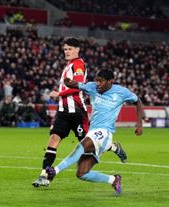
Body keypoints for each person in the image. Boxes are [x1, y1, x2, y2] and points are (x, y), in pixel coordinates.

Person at [32, 37, 126, 188]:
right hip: (63, 111)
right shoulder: (68, 65)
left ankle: (113, 147)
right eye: (65, 49)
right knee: (53, 140)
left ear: (77, 50)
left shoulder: (78, 65)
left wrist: (59, 94)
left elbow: (78, 87)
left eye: (69, 49)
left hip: (77, 113)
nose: (67, 52)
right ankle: (44, 175)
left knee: (90, 144)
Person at [45, 69, 143, 195]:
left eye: (101, 81)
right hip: (93, 132)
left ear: (110, 81)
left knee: (82, 146)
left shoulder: (121, 92)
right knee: (82, 173)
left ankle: (55, 170)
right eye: (97, 80)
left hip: (105, 132)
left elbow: (138, 101)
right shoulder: (92, 87)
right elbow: (75, 85)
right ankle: (113, 179)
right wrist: (67, 81)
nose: (98, 84)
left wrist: (139, 124)